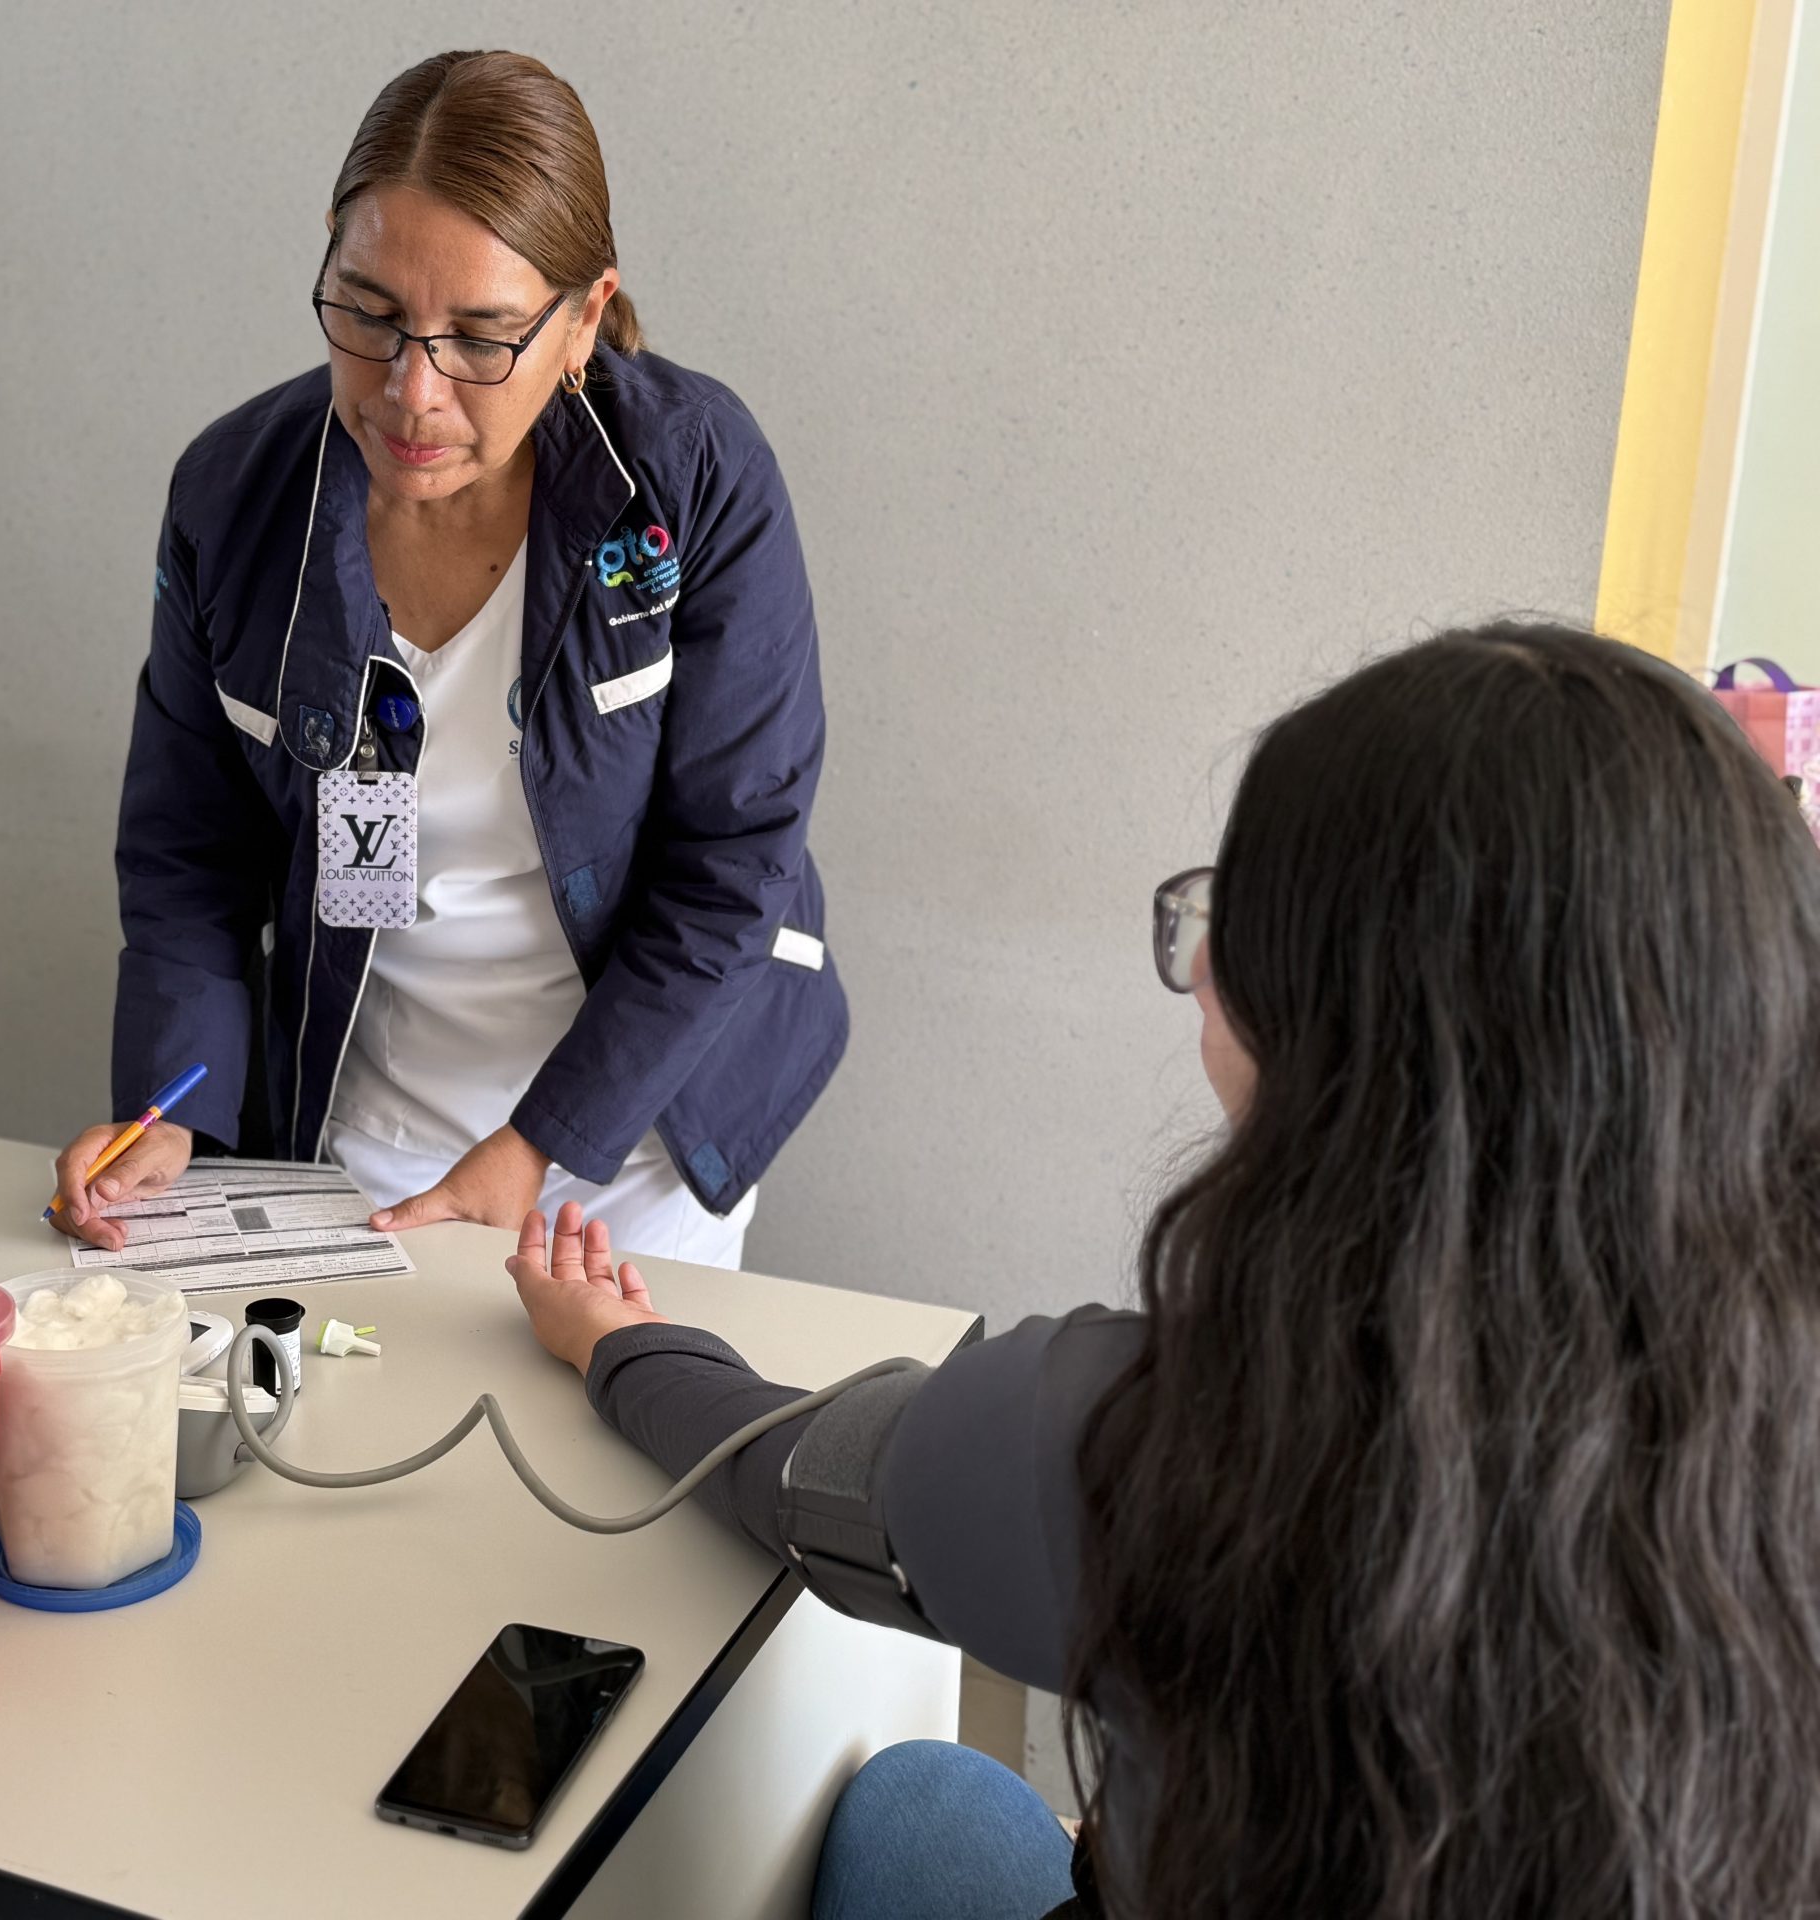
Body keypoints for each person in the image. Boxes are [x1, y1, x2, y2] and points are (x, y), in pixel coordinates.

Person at [507, 623, 1820, 1918]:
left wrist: (619, 1343)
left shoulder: (1128, 1441)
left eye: (1231, 919)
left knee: (917, 1807)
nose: (1200, 964)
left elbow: (790, 1478)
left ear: (1327, 1023)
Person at [52, 50, 841, 1270]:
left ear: (582, 319)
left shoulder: (693, 479)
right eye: (370, 314)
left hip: (626, 1145)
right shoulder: (234, 497)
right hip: (352, 1125)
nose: (411, 393)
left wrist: (538, 1148)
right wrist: (174, 1111)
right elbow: (186, 857)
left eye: (481, 338)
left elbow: (734, 862)